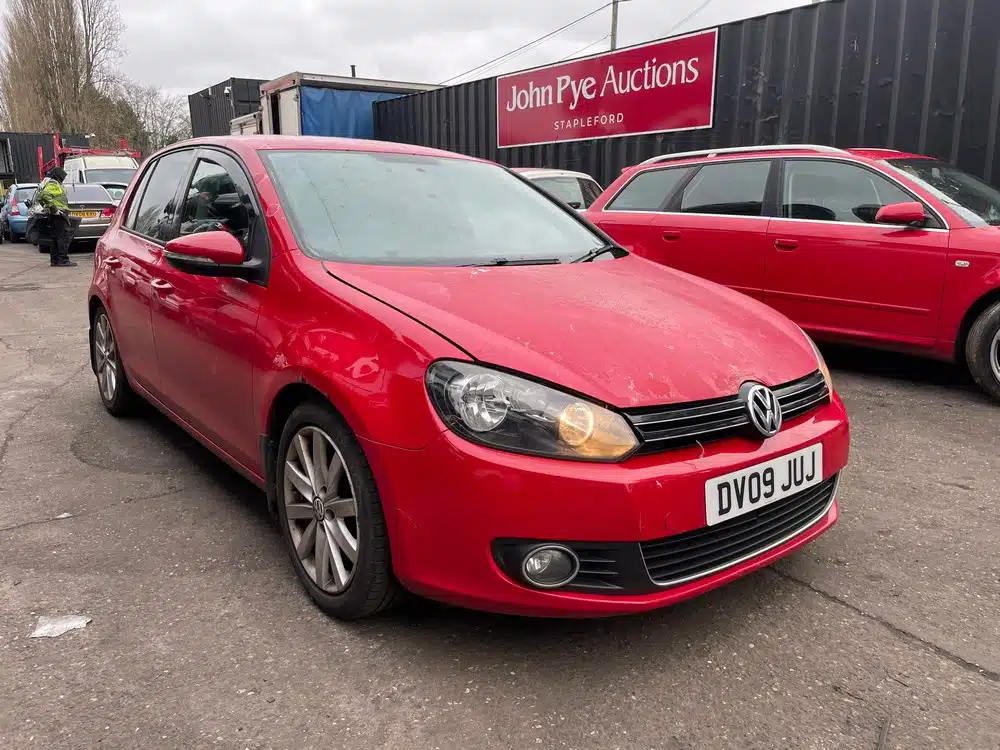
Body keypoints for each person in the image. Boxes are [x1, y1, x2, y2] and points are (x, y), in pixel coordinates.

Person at [35, 166, 77, 268]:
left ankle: (54, 260)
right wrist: (54, 209)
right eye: (63, 177)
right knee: (63, 238)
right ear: (58, 176)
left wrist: (47, 208)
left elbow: (39, 197)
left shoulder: (50, 183)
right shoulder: (54, 184)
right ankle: (63, 260)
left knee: (55, 239)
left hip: (54, 215)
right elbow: (44, 195)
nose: (63, 179)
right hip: (59, 215)